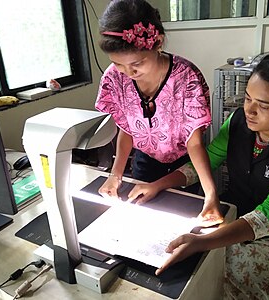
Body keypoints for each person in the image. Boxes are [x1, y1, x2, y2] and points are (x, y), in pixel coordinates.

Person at [133, 49, 269, 298]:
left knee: (235, 275)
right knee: (190, 266)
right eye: (248, 98)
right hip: (232, 215)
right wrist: (159, 185)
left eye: (263, 105)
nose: (250, 110)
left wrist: (203, 242)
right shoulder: (238, 121)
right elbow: (207, 160)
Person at [95, 0, 222, 225]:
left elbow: (195, 143)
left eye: (137, 63)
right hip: (145, 161)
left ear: (158, 43)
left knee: (185, 222)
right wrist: (116, 175)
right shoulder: (114, 78)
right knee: (143, 219)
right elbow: (126, 130)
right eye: (118, 64)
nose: (128, 72)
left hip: (185, 163)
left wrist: (211, 195)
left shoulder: (186, 78)